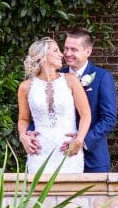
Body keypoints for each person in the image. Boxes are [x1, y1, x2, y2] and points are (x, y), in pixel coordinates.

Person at [20, 29, 118, 173]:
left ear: (88, 52)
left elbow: (108, 118)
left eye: (73, 49)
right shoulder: (57, 75)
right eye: (65, 48)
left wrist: (82, 140)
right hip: (49, 152)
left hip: (93, 157)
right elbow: (42, 113)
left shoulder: (102, 77)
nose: (66, 53)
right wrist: (28, 134)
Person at [17, 38, 90, 175]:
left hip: (68, 151)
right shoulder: (25, 87)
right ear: (43, 56)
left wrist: (79, 139)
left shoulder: (71, 80)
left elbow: (86, 114)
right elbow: (23, 119)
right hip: (39, 152)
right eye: (56, 50)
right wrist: (23, 136)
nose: (61, 54)